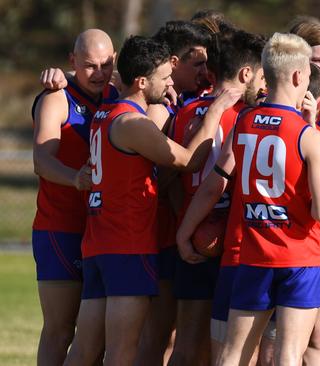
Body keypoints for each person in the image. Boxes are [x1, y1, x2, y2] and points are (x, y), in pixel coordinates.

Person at [62, 35, 240, 366]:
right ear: (143, 82)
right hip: (126, 246)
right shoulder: (133, 122)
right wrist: (215, 111)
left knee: (84, 351)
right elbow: (188, 160)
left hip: (100, 244)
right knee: (121, 353)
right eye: (163, 77)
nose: (170, 82)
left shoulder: (106, 114)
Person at [181, 32, 320, 366]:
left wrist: (184, 231)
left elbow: (215, 183)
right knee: (289, 356)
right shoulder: (310, 137)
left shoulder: (244, 121)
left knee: (233, 354)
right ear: (298, 76)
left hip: (253, 254)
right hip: (300, 258)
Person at [171, 29, 267, 366]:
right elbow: (222, 182)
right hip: (234, 238)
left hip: (195, 231)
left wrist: (184, 226)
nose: (265, 83)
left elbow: (172, 175)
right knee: (233, 350)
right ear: (245, 74)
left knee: (185, 345)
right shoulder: (251, 118)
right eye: (262, 75)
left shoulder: (187, 110)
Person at [31, 28, 115, 366]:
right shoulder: (57, 97)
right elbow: (41, 160)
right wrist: (75, 179)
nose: (98, 73)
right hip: (60, 228)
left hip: (103, 230)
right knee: (61, 330)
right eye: (89, 66)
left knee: (96, 335)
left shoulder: (115, 92)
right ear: (73, 62)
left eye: (105, 65)